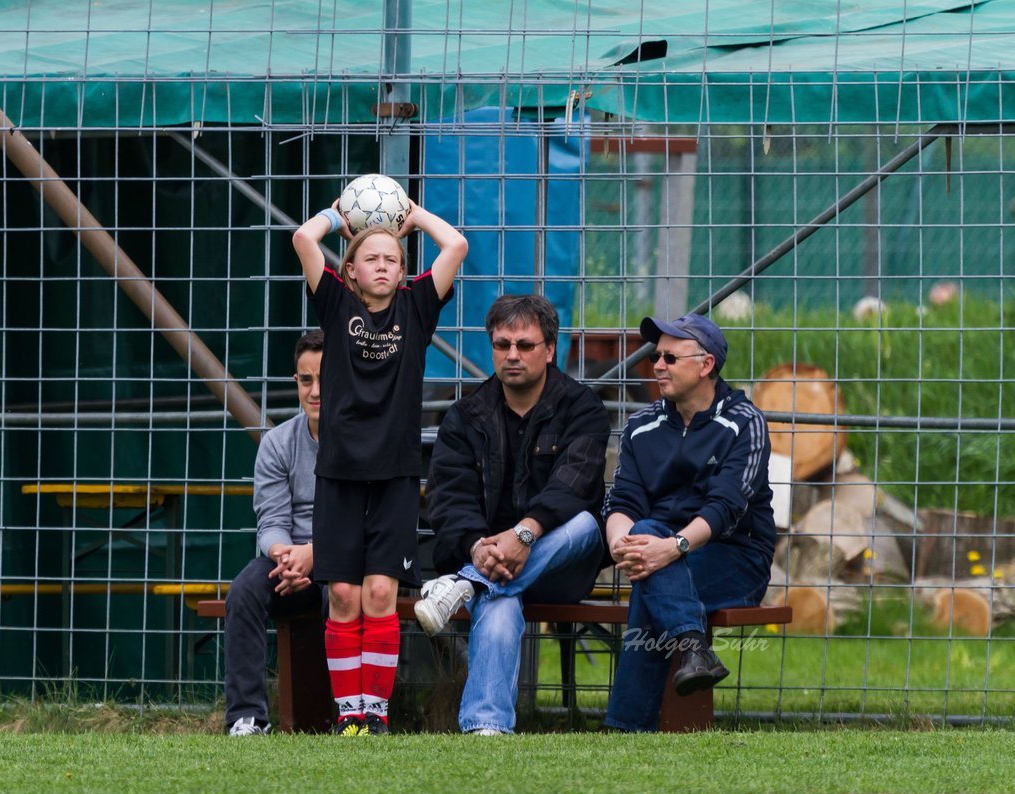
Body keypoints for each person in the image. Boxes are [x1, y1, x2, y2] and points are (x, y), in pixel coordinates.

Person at [292, 195, 467, 735]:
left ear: (403, 270)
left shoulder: (416, 306)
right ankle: (350, 717)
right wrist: (338, 214)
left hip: (393, 474)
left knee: (381, 594)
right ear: (350, 270)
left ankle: (377, 713)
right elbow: (302, 238)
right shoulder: (336, 305)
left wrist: (413, 217)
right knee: (342, 595)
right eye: (372, 258)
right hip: (340, 474)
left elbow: (456, 245)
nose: (384, 266)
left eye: (393, 258)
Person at [419, 294, 611, 735]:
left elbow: (575, 486)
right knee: (500, 599)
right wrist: (476, 546)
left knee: (585, 523)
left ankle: (466, 583)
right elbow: (447, 499)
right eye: (502, 344)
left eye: (524, 345)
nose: (512, 355)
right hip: (492, 561)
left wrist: (523, 535)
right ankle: (486, 728)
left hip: (562, 564)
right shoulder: (465, 417)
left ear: (549, 350)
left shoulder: (583, 408)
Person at [602, 313, 775, 733]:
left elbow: (725, 509)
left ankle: (625, 728)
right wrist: (621, 544)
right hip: (657, 554)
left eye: (669, 357)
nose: (656, 365)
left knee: (653, 577)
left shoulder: (745, 423)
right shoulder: (641, 425)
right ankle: (694, 648)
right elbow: (622, 499)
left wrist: (670, 548)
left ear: (706, 365)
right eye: (655, 356)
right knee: (648, 548)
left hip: (735, 556)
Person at [223, 331, 325, 736]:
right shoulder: (278, 443)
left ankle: (349, 716)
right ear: (296, 382)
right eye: (306, 380)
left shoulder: (359, 440)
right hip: (288, 561)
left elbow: (362, 522)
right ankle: (247, 718)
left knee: (345, 591)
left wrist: (314, 555)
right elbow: (270, 521)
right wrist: (287, 556)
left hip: (341, 559)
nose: (315, 391)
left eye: (326, 378)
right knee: (244, 592)